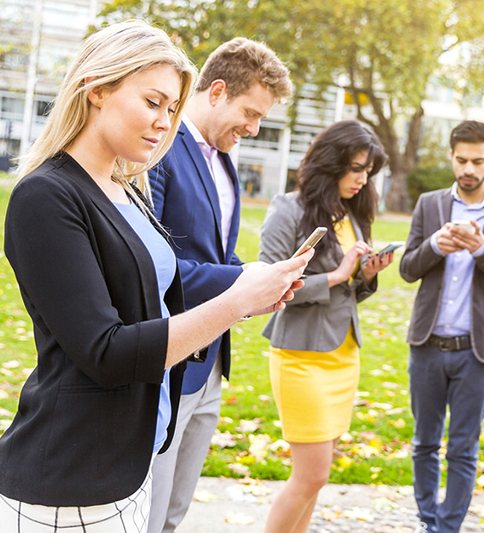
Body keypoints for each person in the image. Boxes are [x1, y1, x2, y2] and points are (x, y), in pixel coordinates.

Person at [0, 21, 309, 532]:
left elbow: (159, 297)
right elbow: (107, 352)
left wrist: (256, 289)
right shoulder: (46, 197)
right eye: (152, 102)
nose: (165, 121)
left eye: (171, 108)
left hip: (136, 459)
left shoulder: (127, 187)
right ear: (96, 88)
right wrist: (235, 301)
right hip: (72, 479)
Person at [146, 37, 293, 533]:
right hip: (167, 364)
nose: (253, 129)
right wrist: (243, 280)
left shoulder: (225, 164)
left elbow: (215, 257)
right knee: (148, 511)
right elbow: (153, 265)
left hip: (211, 365)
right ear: (216, 91)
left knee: (174, 513)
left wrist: (263, 284)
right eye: (249, 113)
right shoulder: (161, 151)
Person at [258, 119, 392, 533]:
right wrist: (336, 274)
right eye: (355, 168)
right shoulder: (289, 208)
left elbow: (351, 290)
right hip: (301, 357)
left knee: (317, 480)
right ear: (330, 163)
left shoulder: (350, 211)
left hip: (343, 355)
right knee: (310, 476)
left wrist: (367, 274)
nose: (362, 178)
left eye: (367, 171)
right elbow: (265, 288)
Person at [400, 120, 484, 533]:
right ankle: (427, 519)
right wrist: (435, 246)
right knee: (424, 443)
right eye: (461, 160)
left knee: (462, 448)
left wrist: (482, 249)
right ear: (451, 158)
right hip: (426, 345)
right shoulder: (430, 204)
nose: (468, 169)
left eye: (477, 161)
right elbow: (406, 269)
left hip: (476, 352)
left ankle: (447, 526)